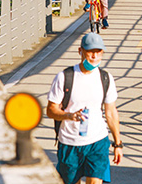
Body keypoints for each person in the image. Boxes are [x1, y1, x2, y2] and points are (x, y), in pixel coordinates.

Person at [47, 32, 122, 184]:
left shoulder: (106, 78)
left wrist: (118, 143)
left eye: (98, 52)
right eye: (90, 51)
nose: (94, 56)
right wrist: (68, 116)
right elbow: (50, 110)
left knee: (95, 181)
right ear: (80, 51)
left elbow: (111, 113)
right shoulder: (64, 77)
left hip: (97, 141)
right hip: (70, 143)